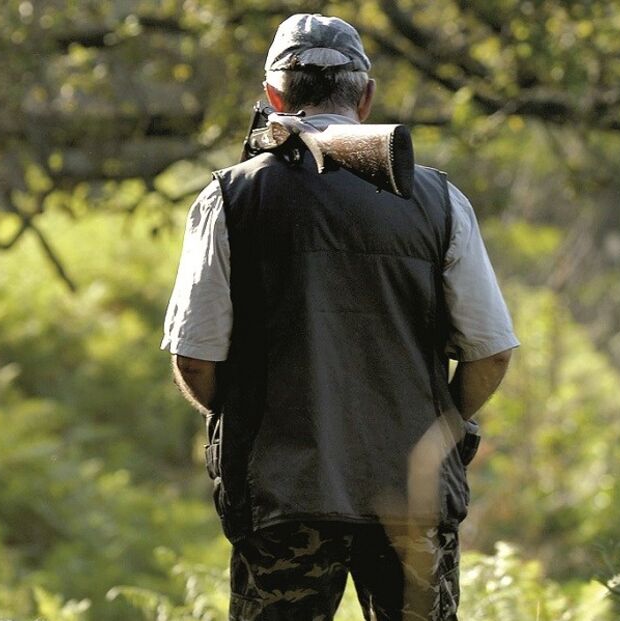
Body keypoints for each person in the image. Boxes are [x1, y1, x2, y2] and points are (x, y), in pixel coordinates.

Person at [161, 13, 519, 621]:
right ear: (367, 97)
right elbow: (491, 352)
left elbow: (194, 358)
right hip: (415, 500)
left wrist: (250, 421)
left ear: (274, 96)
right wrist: (439, 433)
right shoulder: (438, 199)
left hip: (283, 498)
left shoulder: (228, 198)